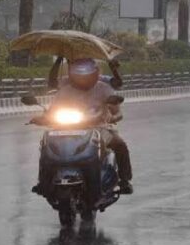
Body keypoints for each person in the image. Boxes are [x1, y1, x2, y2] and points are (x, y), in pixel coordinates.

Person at [34, 58, 133, 196]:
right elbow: (52, 110)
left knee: (120, 145)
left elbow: (118, 112)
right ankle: (43, 182)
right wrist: (42, 118)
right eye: (79, 75)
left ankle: (125, 180)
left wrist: (113, 117)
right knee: (45, 145)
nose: (83, 78)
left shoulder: (104, 88)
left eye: (86, 74)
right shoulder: (65, 90)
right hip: (66, 128)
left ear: (95, 73)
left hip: (99, 127)